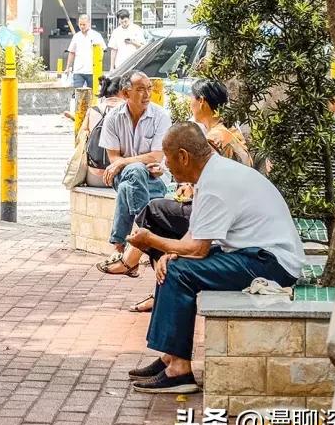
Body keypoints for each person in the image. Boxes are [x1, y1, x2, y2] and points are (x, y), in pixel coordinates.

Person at [125, 122, 303, 393]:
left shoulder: (216, 183)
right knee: (174, 264)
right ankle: (170, 356)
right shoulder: (212, 174)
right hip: (254, 254)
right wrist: (171, 252)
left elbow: (198, 249)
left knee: (178, 273)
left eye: (168, 157)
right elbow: (194, 236)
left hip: (272, 264)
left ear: (183, 156)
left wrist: (150, 240)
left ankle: (179, 372)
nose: (166, 165)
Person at [98, 79, 253, 297]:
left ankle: (137, 267)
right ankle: (142, 273)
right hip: (229, 211)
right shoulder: (229, 131)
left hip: (222, 216)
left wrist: (184, 188)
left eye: (192, 99)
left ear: (201, 102)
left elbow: (205, 185)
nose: (190, 103)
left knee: (154, 213)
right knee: (139, 195)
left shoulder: (213, 140)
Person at [98, 71, 172, 253]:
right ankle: (148, 231)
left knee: (127, 188)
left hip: (155, 176)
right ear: (125, 93)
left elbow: (156, 157)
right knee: (136, 171)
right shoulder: (113, 118)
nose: (147, 94)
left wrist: (124, 162)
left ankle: (119, 245)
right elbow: (113, 157)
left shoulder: (161, 116)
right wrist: (127, 164)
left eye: (149, 89)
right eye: (140, 89)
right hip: (122, 174)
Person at [81, 76, 126, 188]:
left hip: (93, 178)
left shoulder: (93, 110)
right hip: (118, 177)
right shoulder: (127, 110)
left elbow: (81, 137)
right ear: (123, 91)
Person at [65, 14, 106, 89]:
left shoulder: (96, 35)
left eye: (84, 24)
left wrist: (98, 65)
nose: (82, 26)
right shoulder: (76, 36)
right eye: (80, 24)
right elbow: (71, 52)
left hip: (92, 70)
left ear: (89, 23)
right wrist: (68, 67)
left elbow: (102, 51)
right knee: (77, 91)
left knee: (93, 93)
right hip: (78, 70)